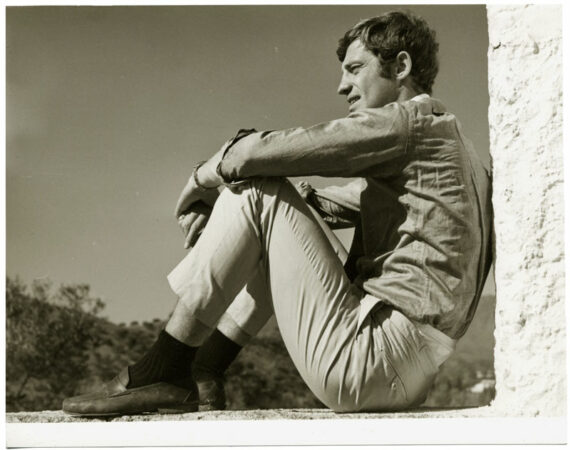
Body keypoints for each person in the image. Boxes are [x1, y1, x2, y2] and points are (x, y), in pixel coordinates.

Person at [63, 10, 492, 416]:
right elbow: (319, 206)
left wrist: (201, 179)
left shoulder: (407, 124)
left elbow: (264, 154)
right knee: (266, 207)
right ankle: (204, 371)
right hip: (407, 374)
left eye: (355, 69)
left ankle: (165, 369)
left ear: (400, 67)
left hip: (373, 360)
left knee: (258, 191)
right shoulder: (455, 151)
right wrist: (229, 213)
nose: (342, 86)